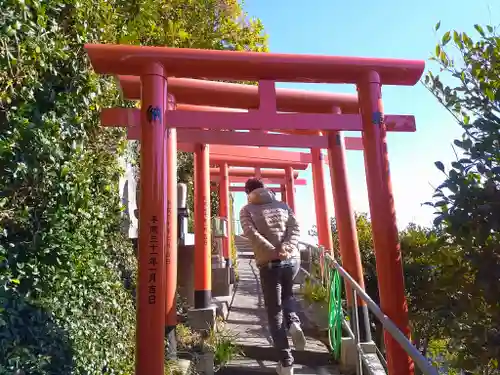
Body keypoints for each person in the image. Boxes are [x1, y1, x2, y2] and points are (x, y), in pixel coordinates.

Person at [239, 178, 306, 375]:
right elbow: (295, 228)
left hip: (269, 264)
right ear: (264, 188)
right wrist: (286, 248)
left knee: (275, 313)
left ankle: (286, 363)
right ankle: (293, 321)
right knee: (288, 296)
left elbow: (250, 233)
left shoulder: (246, 210)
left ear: (248, 192)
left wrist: (272, 250)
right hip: (291, 261)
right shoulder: (283, 205)